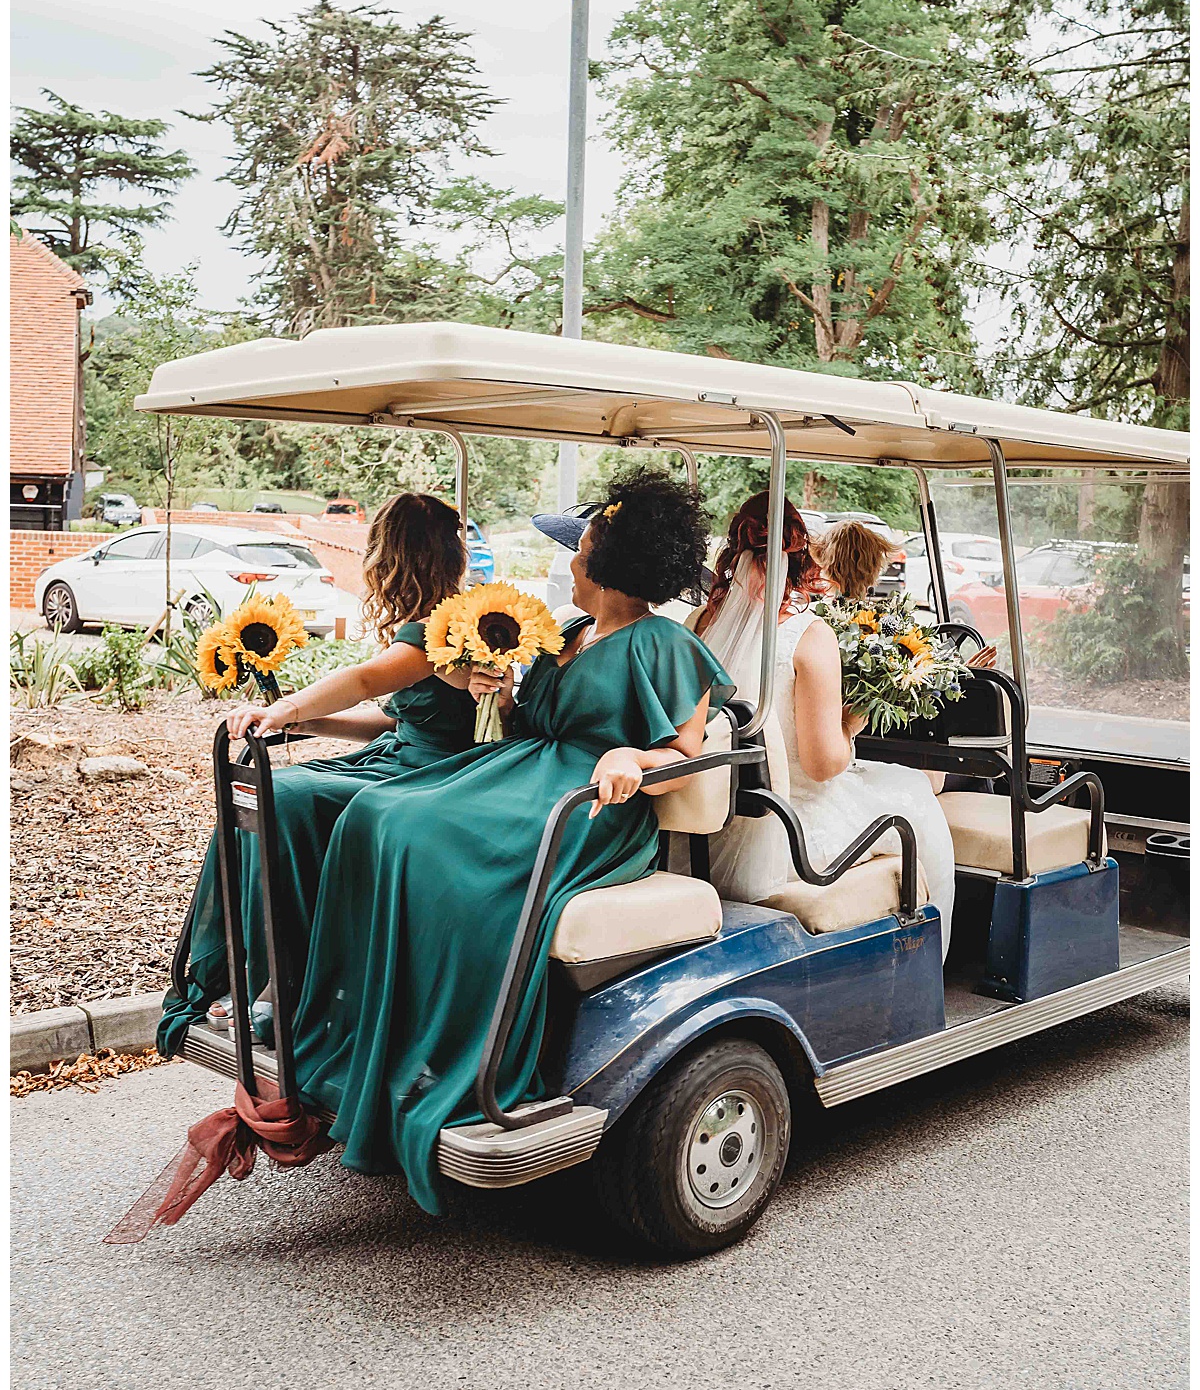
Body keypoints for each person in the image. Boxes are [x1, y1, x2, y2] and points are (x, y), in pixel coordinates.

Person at [276, 464, 733, 1214]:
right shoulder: (572, 632)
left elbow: (683, 757)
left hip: (589, 806)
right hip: (521, 772)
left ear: (609, 563)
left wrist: (630, 755)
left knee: (421, 839)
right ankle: (371, 1029)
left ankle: (451, 1050)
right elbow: (531, 722)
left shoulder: (665, 645)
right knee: (376, 817)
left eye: (580, 547)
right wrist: (491, 689)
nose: (571, 560)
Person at [158, 492, 478, 1054]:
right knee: (260, 793)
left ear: (393, 555)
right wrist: (310, 728)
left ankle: (284, 987)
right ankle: (263, 974)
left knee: (284, 796)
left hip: (435, 774)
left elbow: (364, 680)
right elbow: (394, 720)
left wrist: (288, 708)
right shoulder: (432, 627)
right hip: (400, 758)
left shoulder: (442, 632)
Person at [694, 491, 957, 958]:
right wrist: (852, 722)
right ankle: (929, 961)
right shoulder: (809, 636)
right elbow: (823, 766)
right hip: (790, 832)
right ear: (800, 562)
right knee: (913, 790)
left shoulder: (701, 624)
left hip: (706, 831)